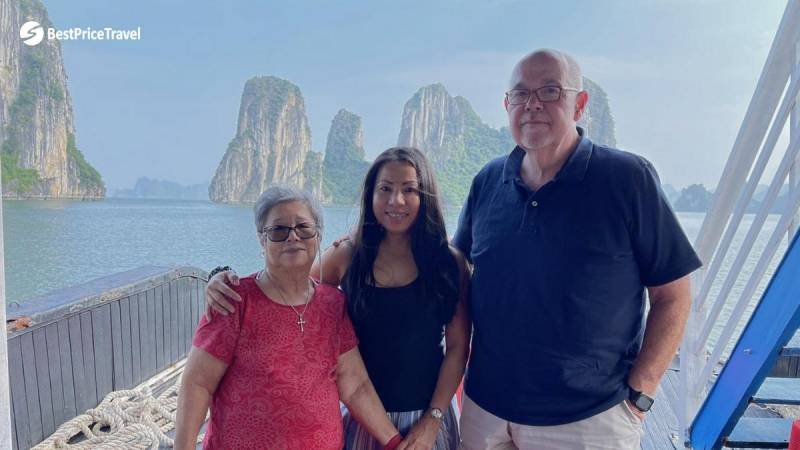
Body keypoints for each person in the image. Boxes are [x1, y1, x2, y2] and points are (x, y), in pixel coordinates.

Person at [452, 49, 702, 449]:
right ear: (507, 105)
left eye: (550, 90)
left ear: (580, 104)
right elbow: (457, 265)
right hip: (486, 412)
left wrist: (640, 393)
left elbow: (673, 294)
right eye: (520, 94)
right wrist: (370, 245)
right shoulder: (487, 181)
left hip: (589, 420)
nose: (532, 104)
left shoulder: (627, 179)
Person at [205, 147, 471, 450]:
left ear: (425, 197)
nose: (396, 200)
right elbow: (286, 288)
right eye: (385, 188)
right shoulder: (348, 256)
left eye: (409, 189)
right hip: (360, 417)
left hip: (427, 421)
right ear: (371, 195)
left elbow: (457, 348)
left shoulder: (449, 264)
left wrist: (432, 421)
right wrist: (220, 277)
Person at [175, 185, 402, 450]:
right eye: (278, 230)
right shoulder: (234, 300)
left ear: (318, 235)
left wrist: (395, 442)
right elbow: (197, 383)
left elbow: (355, 385)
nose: (293, 237)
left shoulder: (333, 304)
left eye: (303, 227)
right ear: (262, 239)